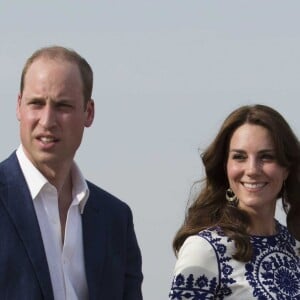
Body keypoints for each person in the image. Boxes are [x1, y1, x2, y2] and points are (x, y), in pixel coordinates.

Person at [0, 46, 143, 299]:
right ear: (19, 106)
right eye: (36, 103)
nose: (47, 120)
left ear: (88, 113)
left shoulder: (115, 219)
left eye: (62, 106)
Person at [169, 104, 300, 299]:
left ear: (286, 168)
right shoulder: (205, 250)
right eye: (239, 157)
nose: (252, 170)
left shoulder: (295, 248)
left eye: (266, 157)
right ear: (225, 167)